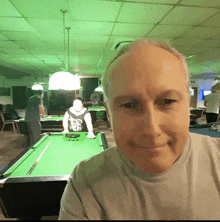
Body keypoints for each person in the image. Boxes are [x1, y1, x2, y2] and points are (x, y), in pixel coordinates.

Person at [59, 39, 220, 220]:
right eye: (129, 104)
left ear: (188, 106)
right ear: (109, 114)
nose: (151, 129)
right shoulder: (84, 182)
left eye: (168, 101)